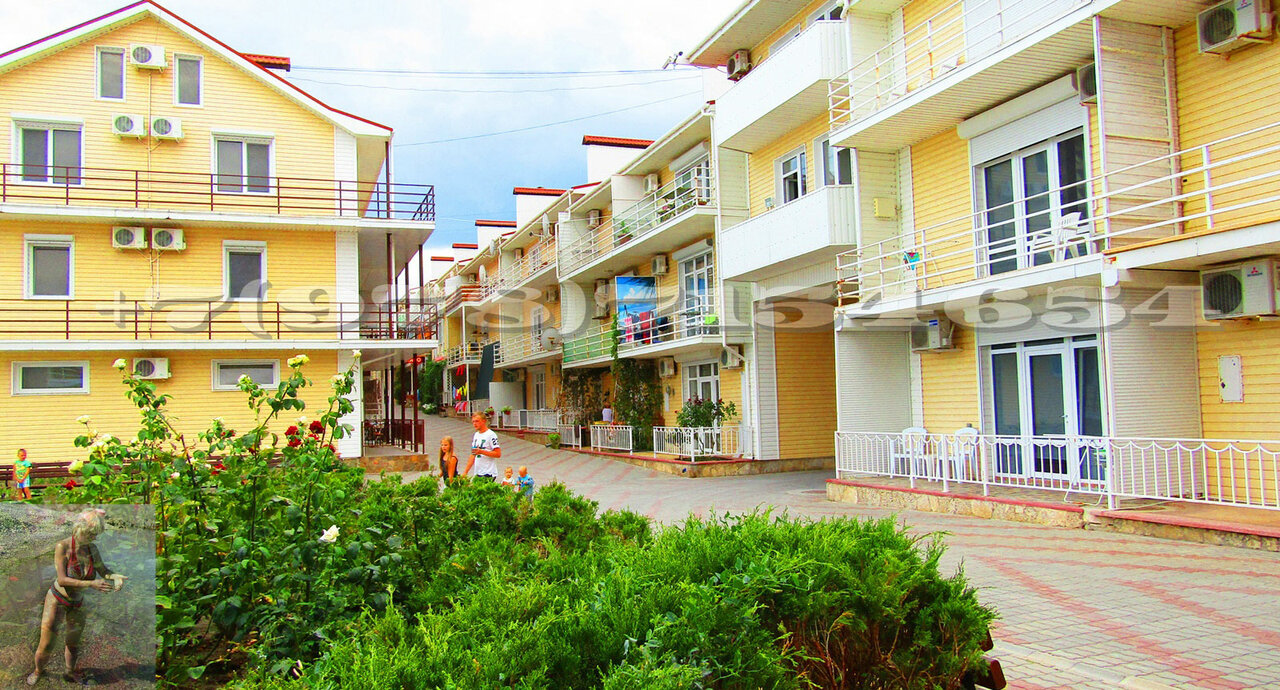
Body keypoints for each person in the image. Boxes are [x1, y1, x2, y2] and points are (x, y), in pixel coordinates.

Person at [28, 509, 122, 686]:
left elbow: (104, 571)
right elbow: (62, 580)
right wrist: (91, 584)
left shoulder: (92, 549)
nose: (94, 538)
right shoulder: (62, 547)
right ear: (79, 529)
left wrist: (115, 576)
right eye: (91, 534)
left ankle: (69, 672)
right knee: (46, 644)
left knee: (73, 643)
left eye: (95, 534)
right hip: (57, 599)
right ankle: (38, 671)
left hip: (77, 602)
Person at [463, 412, 501, 481]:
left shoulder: (491, 435)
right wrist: (465, 472)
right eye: (473, 421)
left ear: (484, 421)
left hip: (488, 472)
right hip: (478, 472)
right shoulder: (476, 435)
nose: (475, 424)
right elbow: (473, 454)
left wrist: (481, 451)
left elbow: (498, 454)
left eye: (477, 421)